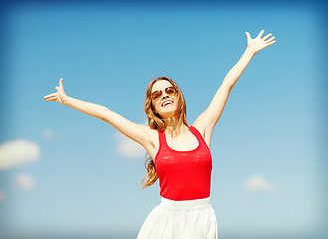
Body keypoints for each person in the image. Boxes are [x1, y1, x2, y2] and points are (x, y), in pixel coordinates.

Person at [44, 30, 276, 239]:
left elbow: (226, 85)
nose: (164, 95)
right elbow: (107, 114)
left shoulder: (202, 128)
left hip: (202, 218)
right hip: (166, 221)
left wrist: (249, 52)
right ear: (153, 106)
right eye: (156, 95)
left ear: (178, 96)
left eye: (169, 90)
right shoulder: (153, 139)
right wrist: (68, 100)